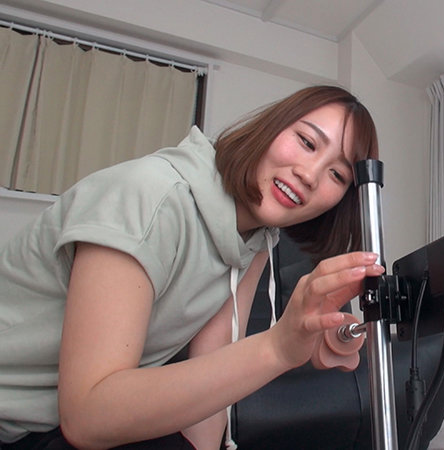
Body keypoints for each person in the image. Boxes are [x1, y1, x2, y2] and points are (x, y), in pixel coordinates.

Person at [0, 85, 384, 449]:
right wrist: (278, 348)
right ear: (271, 127)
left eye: (337, 175)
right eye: (307, 142)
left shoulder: (256, 238)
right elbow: (87, 416)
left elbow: (210, 389)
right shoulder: (149, 196)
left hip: (56, 425)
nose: (309, 175)